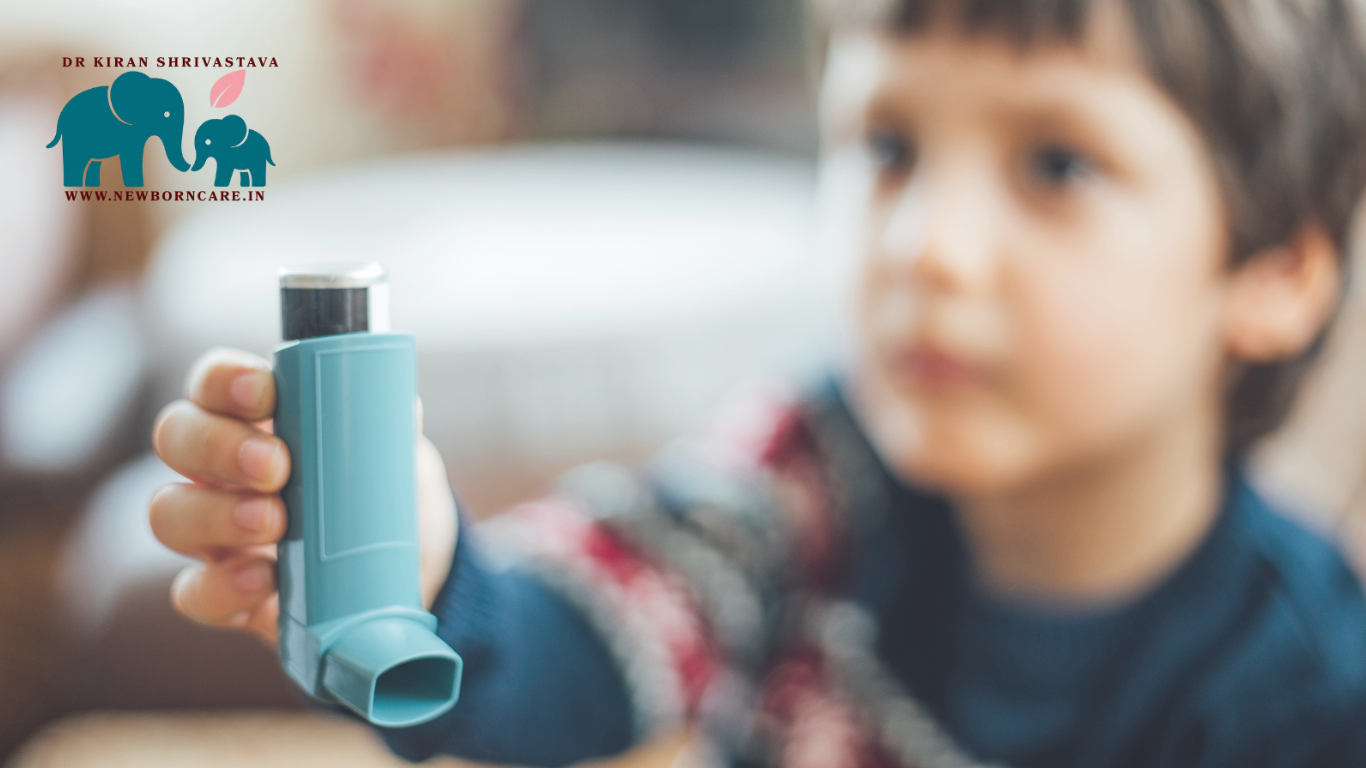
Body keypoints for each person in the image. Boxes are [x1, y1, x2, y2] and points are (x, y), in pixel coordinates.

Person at [146, 0, 1366, 766]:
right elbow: (567, 651)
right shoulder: (804, 480)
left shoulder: (1305, 692)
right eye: (889, 148)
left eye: (1055, 163)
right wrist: (425, 578)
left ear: (1273, 271)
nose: (927, 244)